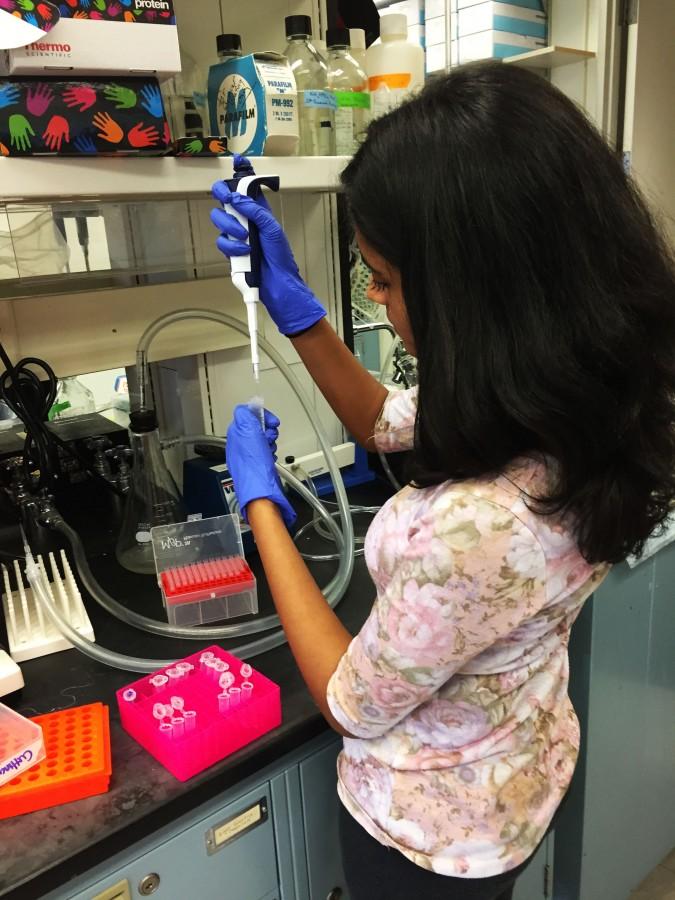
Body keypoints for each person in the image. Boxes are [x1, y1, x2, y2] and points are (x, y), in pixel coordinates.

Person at [210, 62, 675, 900]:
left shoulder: (483, 525)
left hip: (426, 842)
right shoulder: (575, 396)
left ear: (475, 292)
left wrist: (259, 504)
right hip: (509, 778)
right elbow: (388, 419)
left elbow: (350, 703)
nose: (380, 303)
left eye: (385, 282)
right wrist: (300, 312)